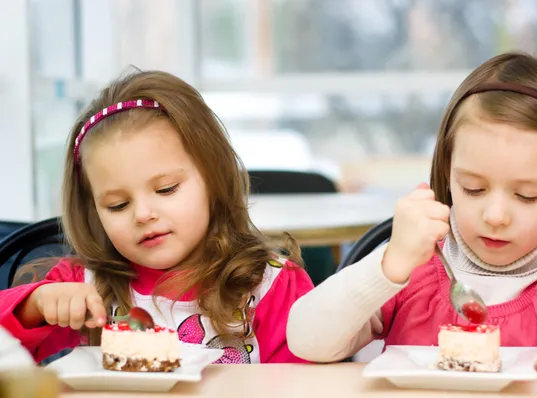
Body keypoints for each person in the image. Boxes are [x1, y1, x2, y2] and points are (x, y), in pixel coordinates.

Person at [287, 52, 537, 380]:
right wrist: (392, 263)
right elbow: (306, 341)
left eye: (526, 196)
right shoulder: (416, 269)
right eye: (473, 188)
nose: (495, 216)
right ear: (448, 173)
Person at [0, 70, 314, 364]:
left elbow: (308, 385)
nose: (143, 214)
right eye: (118, 205)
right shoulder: (84, 285)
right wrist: (35, 306)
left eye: (166, 189)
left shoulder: (270, 286)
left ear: (214, 179)